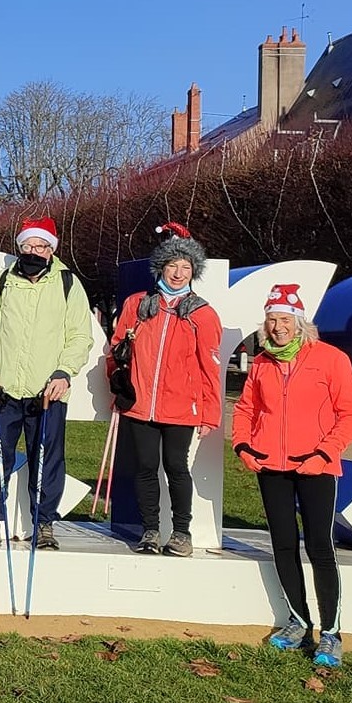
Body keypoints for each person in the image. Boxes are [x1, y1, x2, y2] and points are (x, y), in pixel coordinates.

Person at [233, 284, 352, 669]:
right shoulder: (261, 363)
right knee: (283, 544)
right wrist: (243, 445)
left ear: (300, 323)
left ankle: (332, 632)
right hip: (271, 467)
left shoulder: (330, 359)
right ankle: (298, 621)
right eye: (272, 320)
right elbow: (245, 408)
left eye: (285, 320)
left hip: (316, 467)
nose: (277, 327)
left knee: (320, 548)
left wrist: (325, 452)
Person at [0, 217, 93, 551]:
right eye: (28, 246)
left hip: (47, 393)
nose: (34, 252)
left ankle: (45, 522)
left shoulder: (68, 284)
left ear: (51, 249)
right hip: (3, 389)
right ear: (19, 247)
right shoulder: (1, 282)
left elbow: (80, 335)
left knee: (48, 459)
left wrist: (64, 372)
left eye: (41, 247)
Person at [107, 223, 223, 557]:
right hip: (140, 402)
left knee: (175, 467)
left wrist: (210, 411)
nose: (178, 273)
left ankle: (182, 532)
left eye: (186, 267)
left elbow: (210, 366)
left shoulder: (202, 313)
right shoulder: (137, 304)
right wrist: (117, 379)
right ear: (161, 266)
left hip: (181, 407)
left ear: (194, 272)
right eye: (173, 265)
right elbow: (117, 348)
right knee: (144, 468)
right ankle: (150, 531)